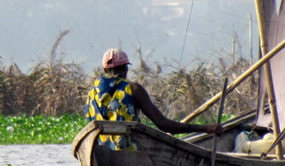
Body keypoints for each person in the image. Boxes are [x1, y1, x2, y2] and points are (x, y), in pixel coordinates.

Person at [84, 48, 222, 135]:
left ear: (104, 70)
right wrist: (204, 128)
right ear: (126, 68)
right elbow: (163, 124)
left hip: (99, 147)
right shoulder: (134, 89)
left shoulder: (91, 94)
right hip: (128, 149)